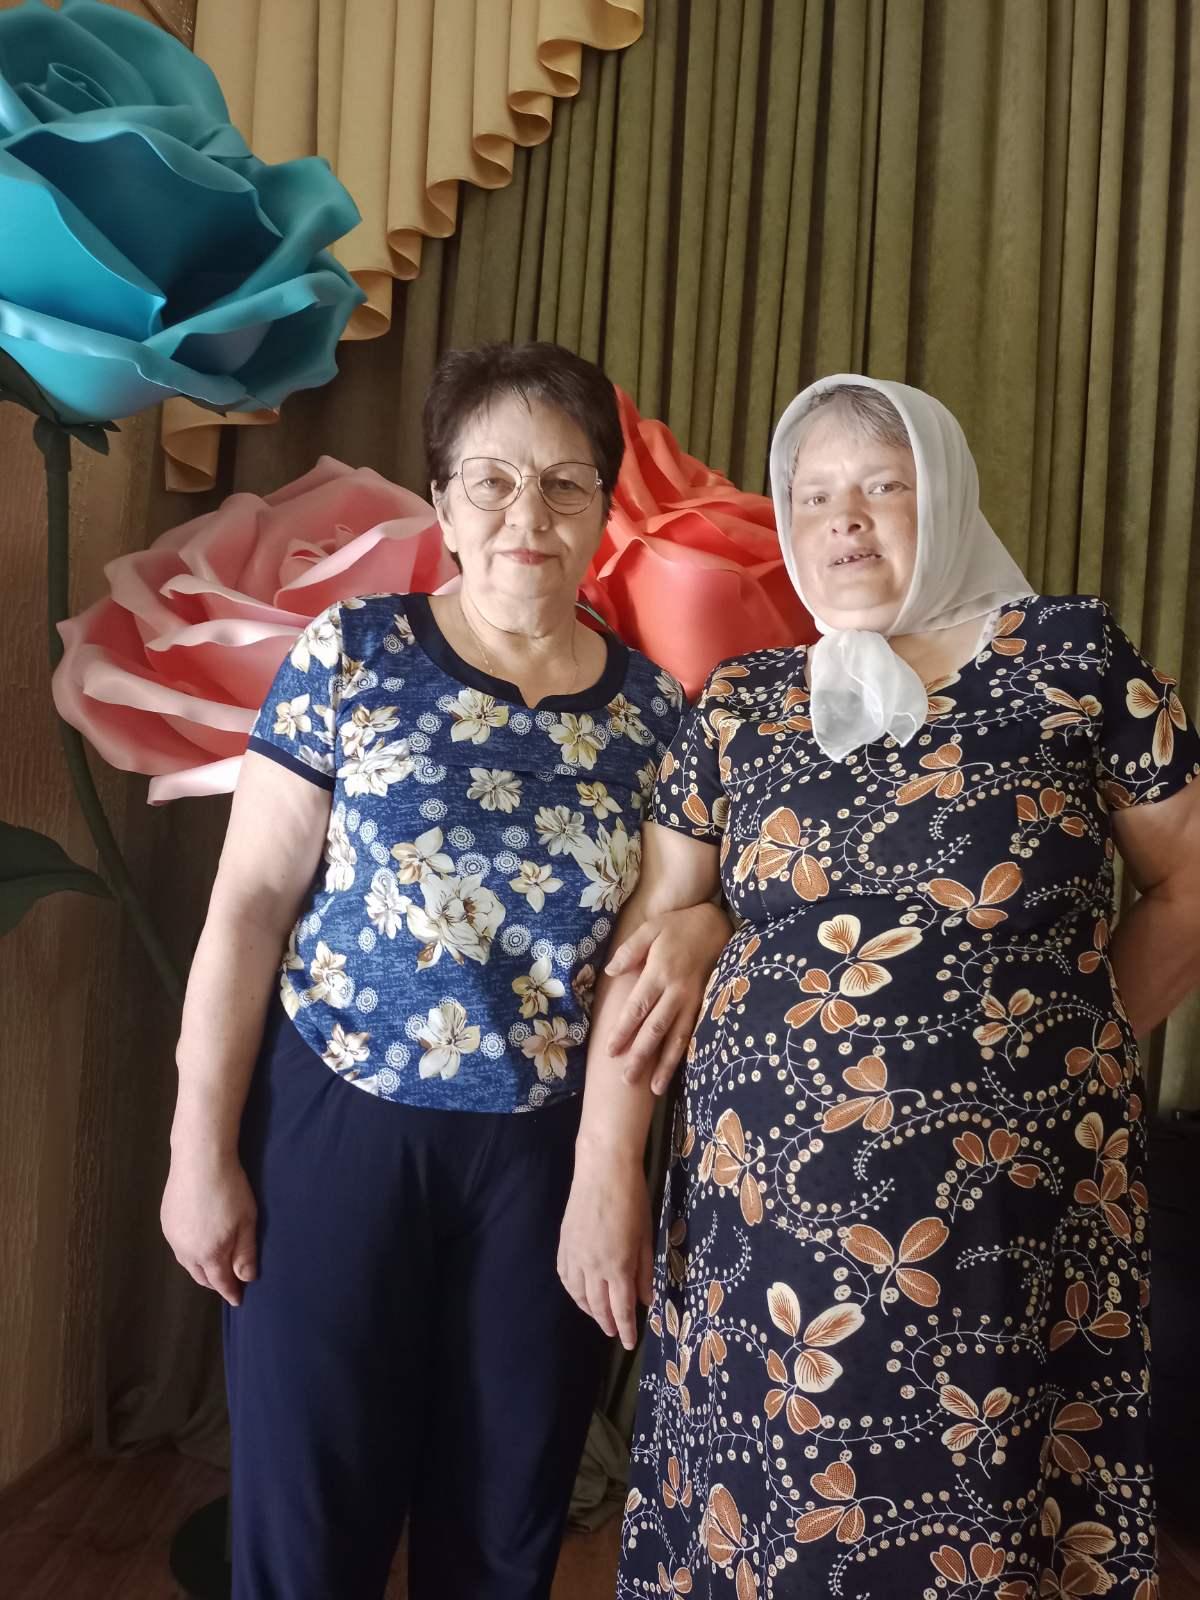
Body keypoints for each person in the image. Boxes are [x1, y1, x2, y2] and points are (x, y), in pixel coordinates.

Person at [560, 375, 1200, 1599]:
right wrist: (603, 1168)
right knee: (773, 1523)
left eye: (882, 484)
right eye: (813, 496)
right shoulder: (741, 702)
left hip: (1009, 1222)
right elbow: (651, 941)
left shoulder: (1068, 660)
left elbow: (1189, 883)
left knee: (982, 1523)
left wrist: (1067, 1045)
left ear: (943, 495)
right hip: (764, 1234)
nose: (844, 517)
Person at [159, 341, 730, 1600]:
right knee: (308, 1532)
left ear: (602, 509)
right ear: (443, 504)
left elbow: (663, 942)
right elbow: (248, 907)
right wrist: (199, 1147)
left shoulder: (659, 720)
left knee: (503, 1527)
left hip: (544, 1157)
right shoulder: (350, 654)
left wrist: (713, 926)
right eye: (493, 480)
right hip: (334, 1129)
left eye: (566, 483)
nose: (529, 514)